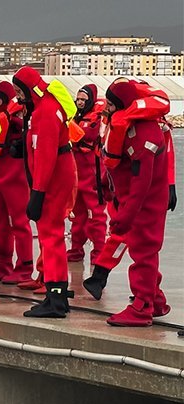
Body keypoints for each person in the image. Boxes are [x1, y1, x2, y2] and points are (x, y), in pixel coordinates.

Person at [89, 81, 170, 326]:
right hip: (130, 200)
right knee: (143, 251)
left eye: (110, 104)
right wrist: (106, 183)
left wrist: (127, 214)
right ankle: (155, 300)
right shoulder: (126, 126)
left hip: (145, 205)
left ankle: (142, 307)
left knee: (143, 254)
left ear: (122, 105)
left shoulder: (145, 134)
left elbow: (142, 181)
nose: (106, 108)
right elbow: (120, 165)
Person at [12, 65, 78, 318]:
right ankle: (55, 294)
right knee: (51, 235)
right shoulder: (45, 107)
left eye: (19, 91)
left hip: (52, 180)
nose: (18, 96)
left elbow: (46, 155)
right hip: (56, 175)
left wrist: (38, 192)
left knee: (51, 236)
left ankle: (56, 297)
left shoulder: (45, 112)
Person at [0, 81, 34, 284]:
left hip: (15, 174)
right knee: (1, 222)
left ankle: (25, 266)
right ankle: (3, 262)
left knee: (19, 222)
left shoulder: (20, 117)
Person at [68, 84, 107, 264]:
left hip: (93, 174)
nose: (80, 102)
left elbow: (85, 135)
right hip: (77, 175)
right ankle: (76, 250)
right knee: (77, 216)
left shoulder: (96, 119)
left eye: (84, 99)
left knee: (96, 216)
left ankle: (99, 253)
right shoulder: (76, 117)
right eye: (78, 99)